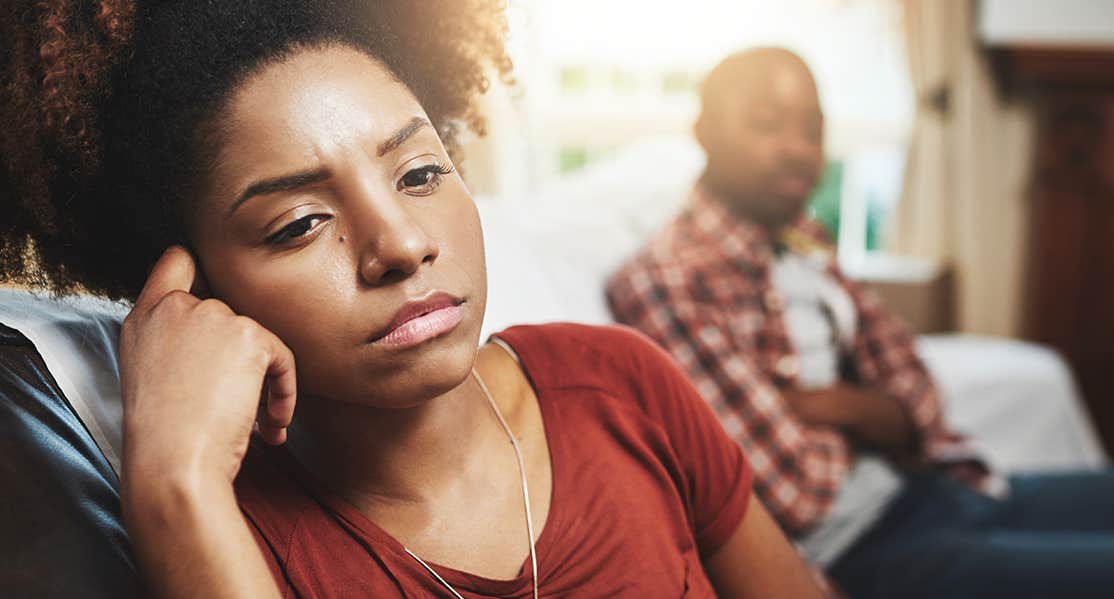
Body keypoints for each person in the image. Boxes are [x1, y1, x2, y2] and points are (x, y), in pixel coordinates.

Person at [0, 5, 830, 598]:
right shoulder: (230, 537)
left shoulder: (621, 384)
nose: (400, 243)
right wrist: (174, 486)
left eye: (421, 174)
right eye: (298, 223)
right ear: (199, 289)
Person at [606, 46, 1114, 599]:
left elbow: (917, 388)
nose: (797, 148)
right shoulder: (671, 279)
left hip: (946, 486)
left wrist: (838, 405)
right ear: (704, 132)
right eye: (766, 124)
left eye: (812, 129)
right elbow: (799, 491)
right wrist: (878, 414)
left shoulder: (802, 237)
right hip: (867, 549)